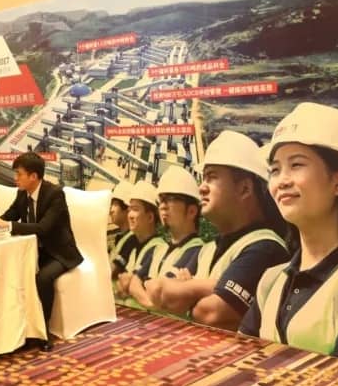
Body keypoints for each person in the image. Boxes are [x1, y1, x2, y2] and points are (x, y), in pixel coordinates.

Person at [239, 103, 338, 367]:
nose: (282, 181)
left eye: (296, 165)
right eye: (275, 170)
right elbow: (239, 363)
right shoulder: (271, 281)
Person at [152, 131, 290, 330]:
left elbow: (211, 314)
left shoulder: (265, 248)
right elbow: (158, 291)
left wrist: (188, 287)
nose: (202, 188)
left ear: (244, 189)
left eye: (211, 177)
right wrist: (212, 286)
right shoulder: (207, 249)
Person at [0, 152, 83, 351]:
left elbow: (43, 228)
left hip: (58, 253)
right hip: (34, 251)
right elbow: (10, 215)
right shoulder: (23, 193)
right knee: (10, 273)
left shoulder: (55, 194)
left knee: (42, 278)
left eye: (19, 174)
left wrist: (7, 224)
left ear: (33, 176)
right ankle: (18, 329)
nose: (15, 178)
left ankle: (43, 331)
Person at [127, 167, 203, 308]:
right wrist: (152, 303)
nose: (162, 206)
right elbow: (134, 283)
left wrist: (147, 292)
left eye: (170, 199)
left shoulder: (197, 251)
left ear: (192, 211)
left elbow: (161, 292)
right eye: (161, 200)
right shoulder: (159, 249)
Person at [111, 180, 168, 309]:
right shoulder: (136, 247)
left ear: (150, 217)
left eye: (135, 209)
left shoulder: (157, 248)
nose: (130, 215)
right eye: (129, 209)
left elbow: (129, 285)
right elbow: (122, 285)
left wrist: (129, 285)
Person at [107, 180, 132, 255]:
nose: (111, 210)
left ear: (127, 207)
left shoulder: (131, 243)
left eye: (115, 204)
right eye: (111, 205)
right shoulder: (120, 238)